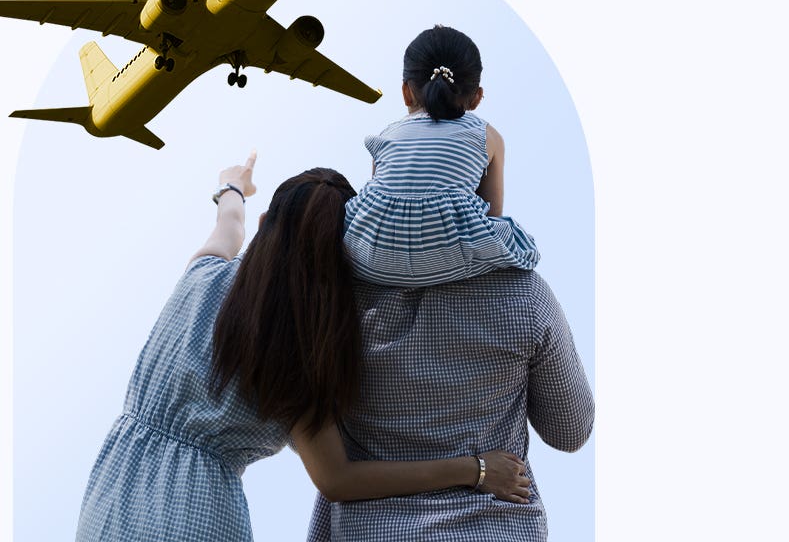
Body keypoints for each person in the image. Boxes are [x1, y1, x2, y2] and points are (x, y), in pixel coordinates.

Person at [74, 153, 530, 542]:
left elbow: (229, 225)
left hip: (111, 492)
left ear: (267, 223)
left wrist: (232, 183)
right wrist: (477, 470)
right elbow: (337, 478)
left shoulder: (203, 276)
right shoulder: (295, 346)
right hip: (199, 511)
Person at [304, 265, 595, 541]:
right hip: (497, 529)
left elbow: (313, 449)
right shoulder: (524, 293)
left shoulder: (326, 300)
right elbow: (570, 431)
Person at [344, 25, 541, 287]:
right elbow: (492, 215)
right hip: (449, 256)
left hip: (369, 260)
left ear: (405, 91)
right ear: (477, 98)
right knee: (519, 239)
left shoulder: (387, 135)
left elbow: (385, 197)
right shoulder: (488, 136)